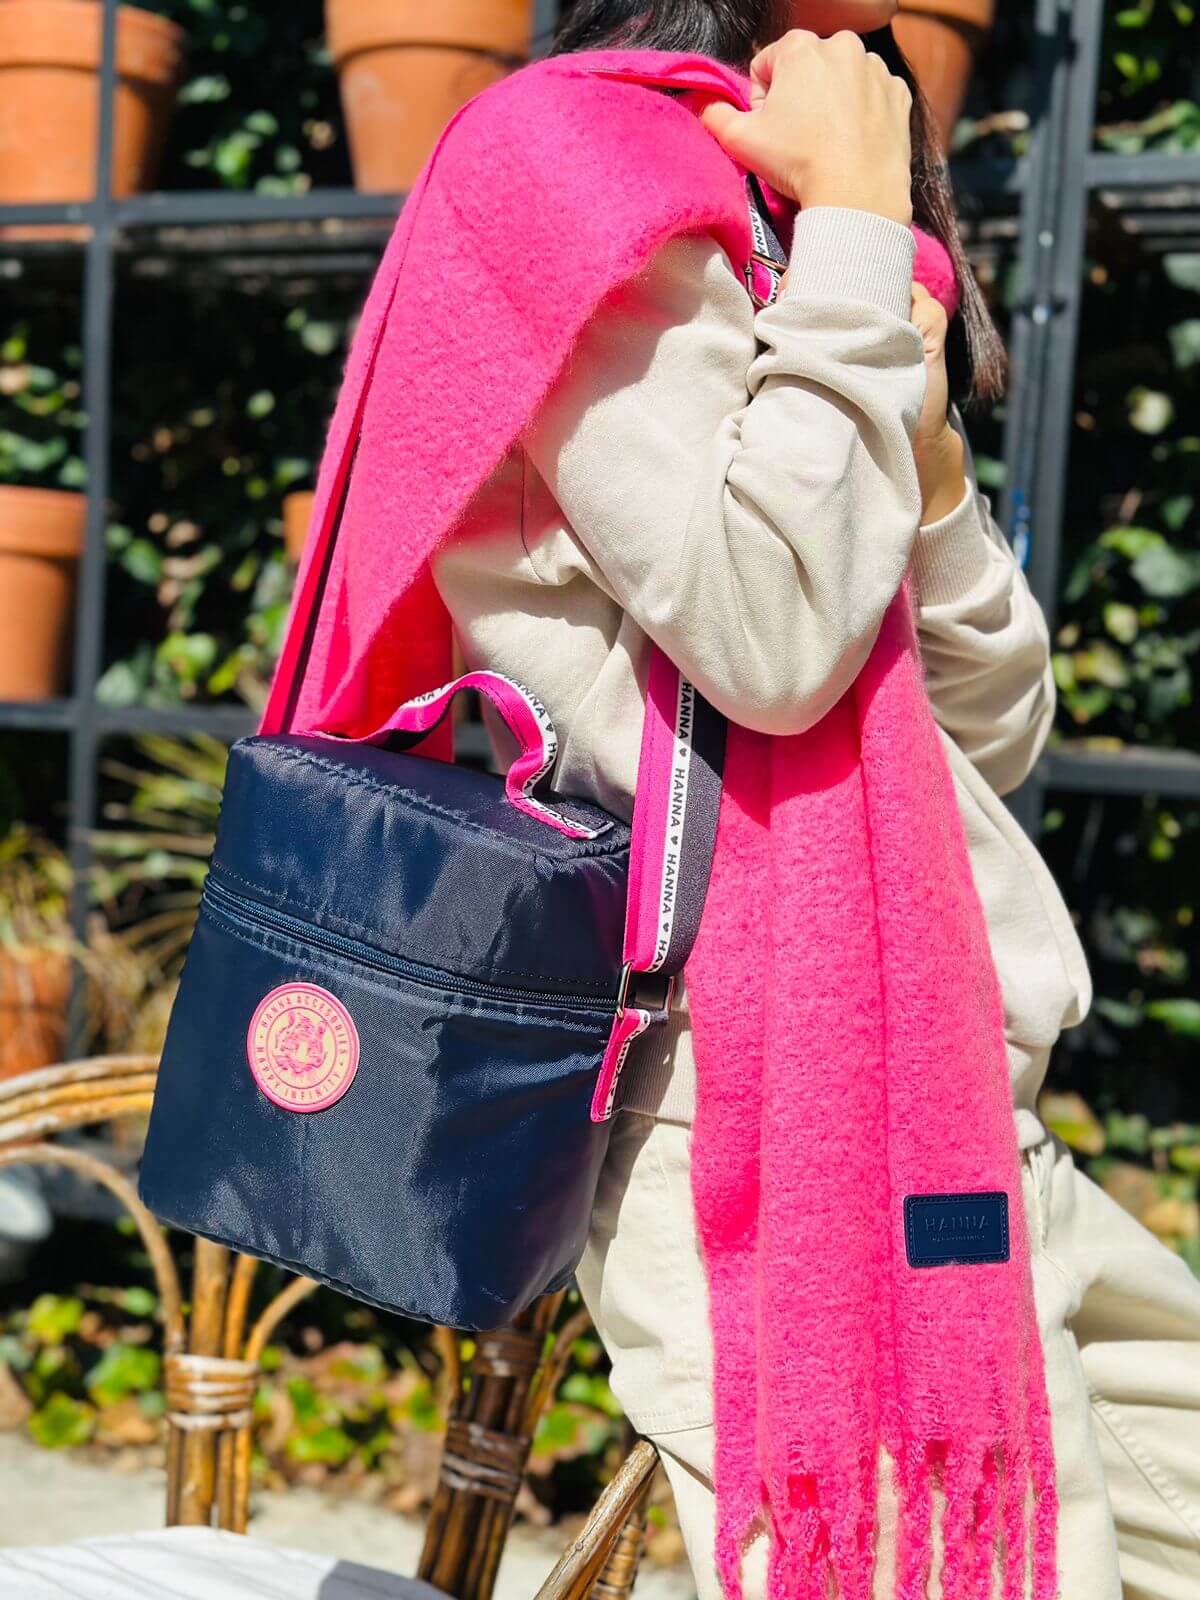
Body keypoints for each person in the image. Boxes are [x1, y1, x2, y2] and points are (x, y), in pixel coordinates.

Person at [419, 5, 1200, 1598]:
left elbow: (991, 721)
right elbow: (770, 640)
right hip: (774, 1118)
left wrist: (927, 458)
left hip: (956, 1101)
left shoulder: (807, 195)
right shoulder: (571, 164)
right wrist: (855, 225)